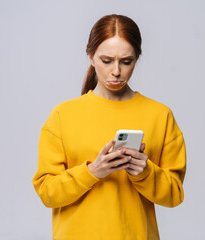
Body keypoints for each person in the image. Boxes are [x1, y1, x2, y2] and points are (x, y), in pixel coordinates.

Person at [33, 14, 186, 240]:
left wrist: (145, 172)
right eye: (106, 61)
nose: (116, 71)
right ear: (91, 57)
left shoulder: (160, 115)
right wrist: (92, 171)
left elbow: (174, 194)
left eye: (126, 61)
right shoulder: (63, 115)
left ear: (137, 58)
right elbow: (47, 192)